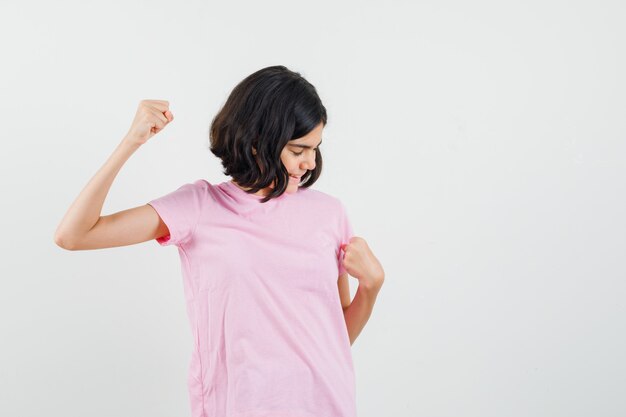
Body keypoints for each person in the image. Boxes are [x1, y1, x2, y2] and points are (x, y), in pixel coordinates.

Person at [54, 65, 385, 417]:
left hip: (327, 405)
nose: (309, 162)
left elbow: (332, 340)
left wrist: (372, 287)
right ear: (258, 141)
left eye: (315, 149)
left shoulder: (329, 213)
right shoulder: (199, 207)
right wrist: (131, 142)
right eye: (298, 149)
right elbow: (74, 235)